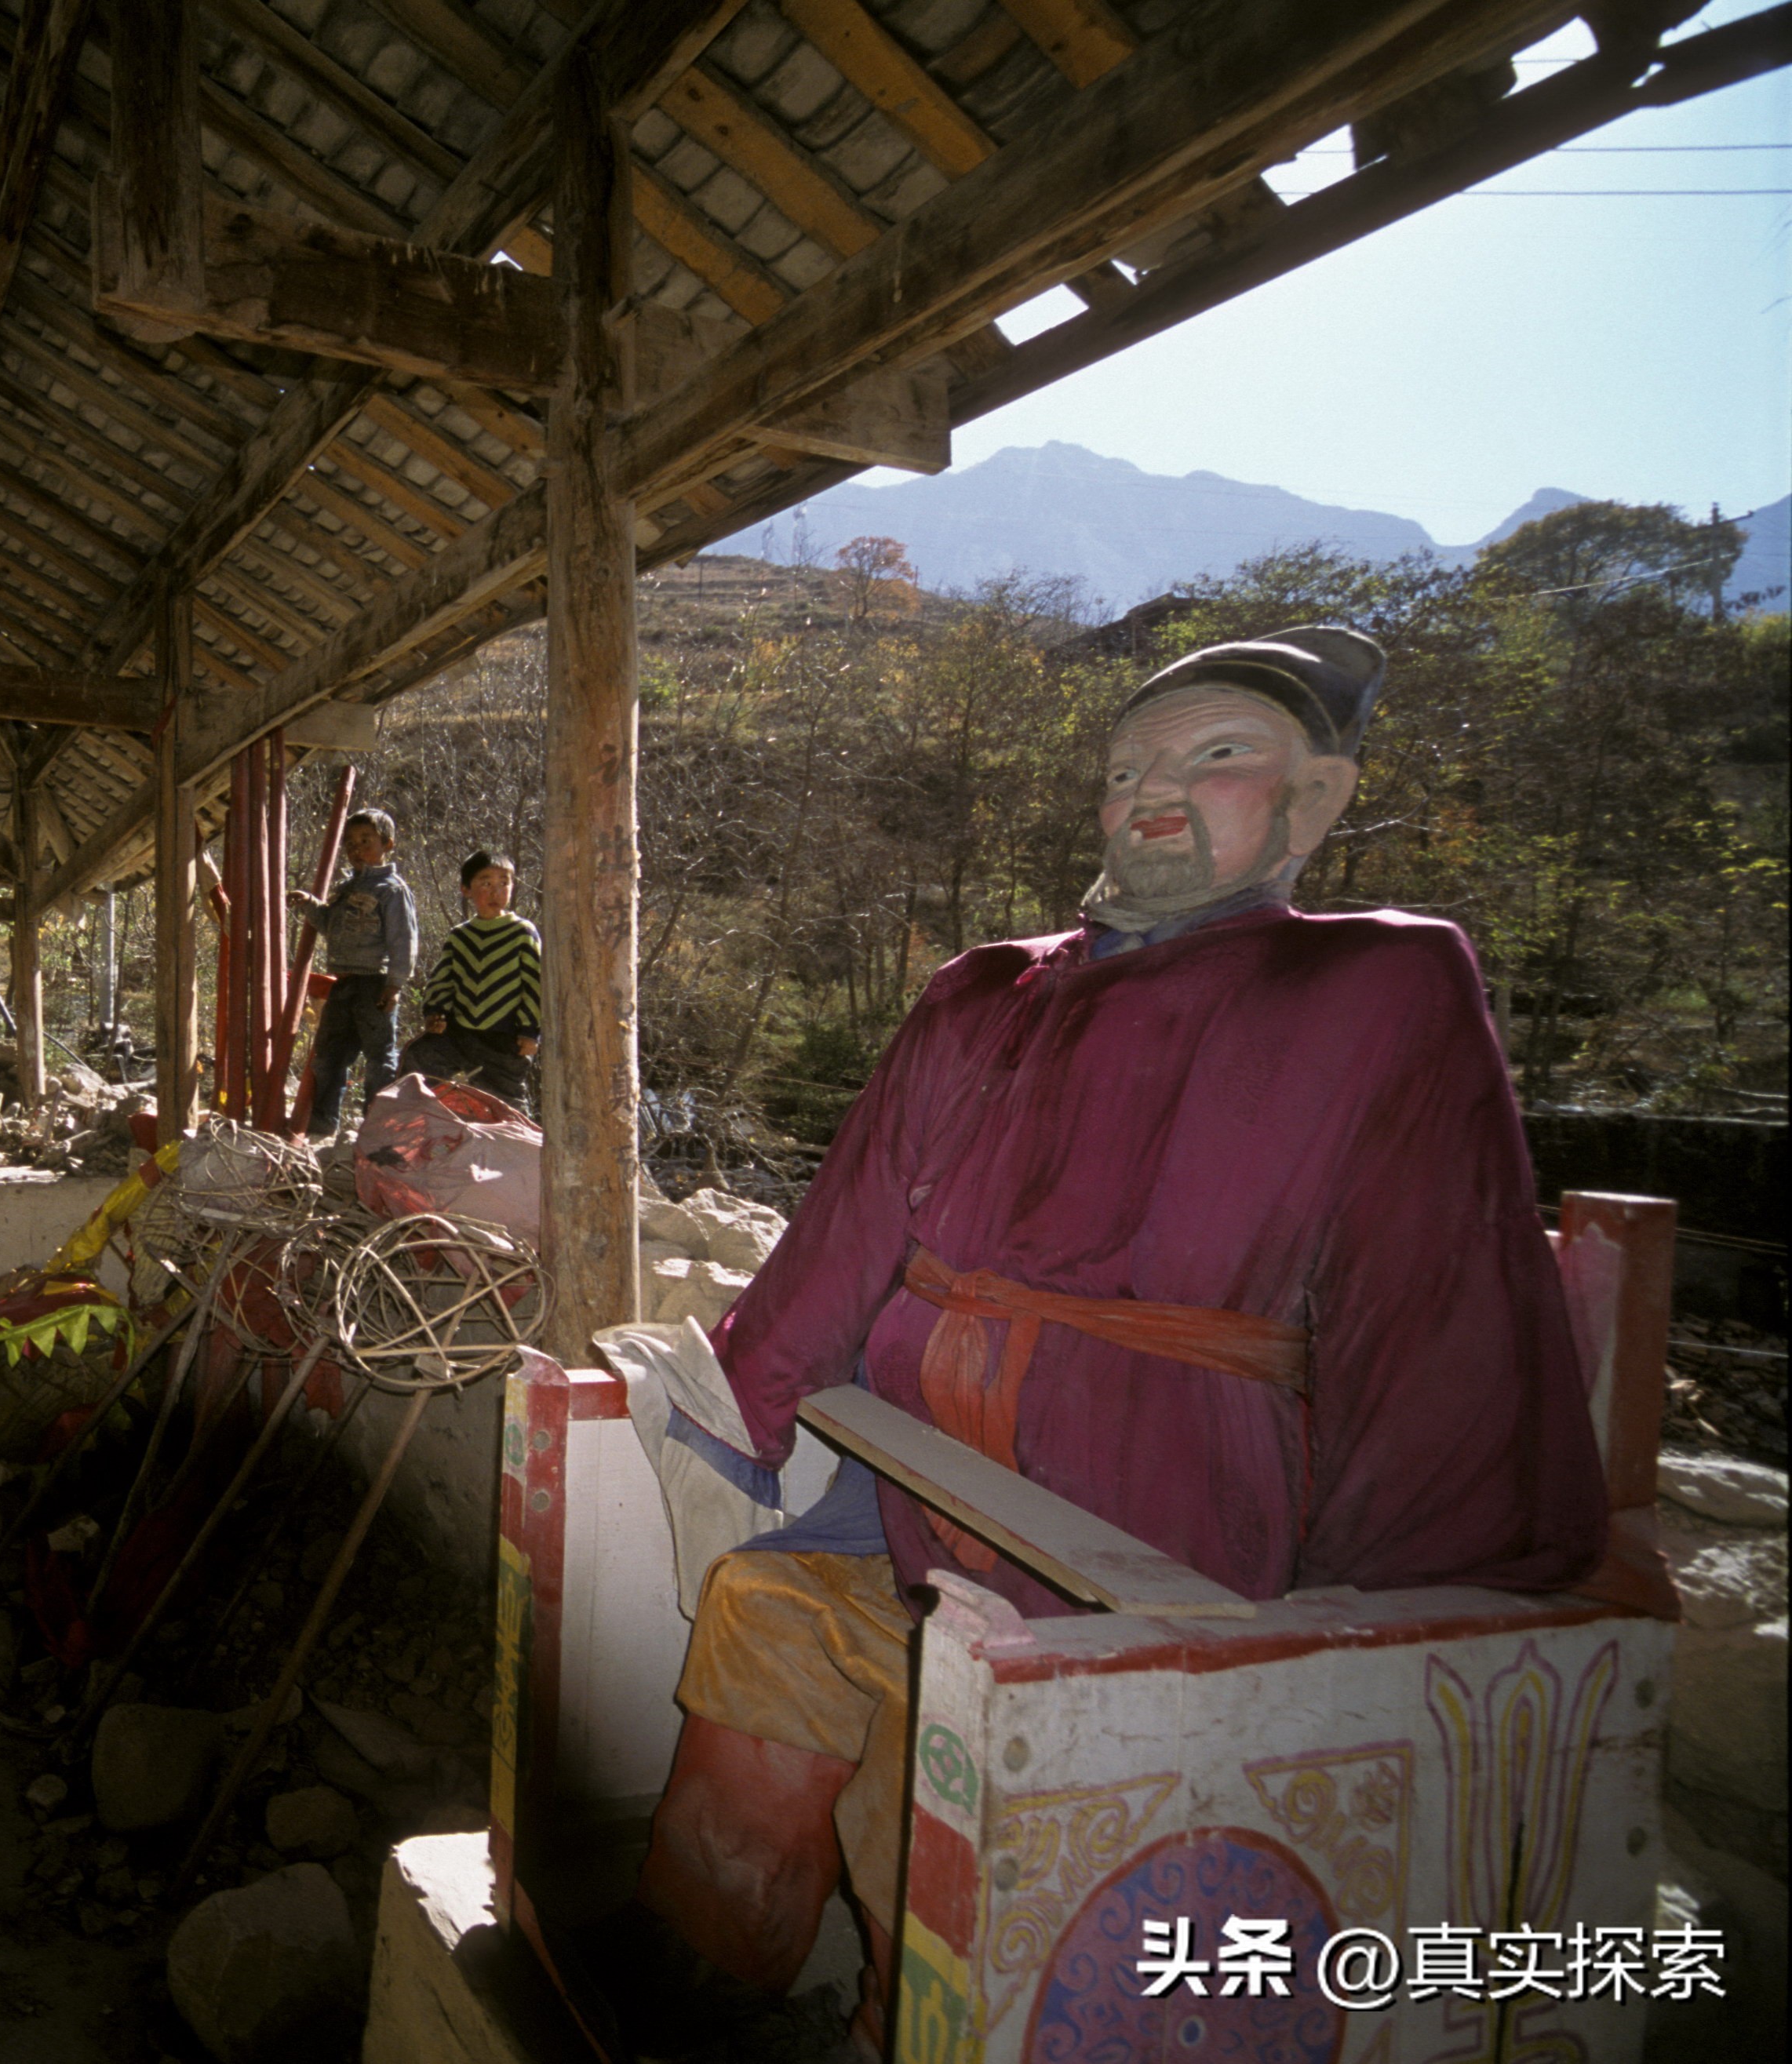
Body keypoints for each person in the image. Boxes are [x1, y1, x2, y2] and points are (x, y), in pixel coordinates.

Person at [615, 627, 1610, 2051]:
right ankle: (699, 1988)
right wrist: (737, 1409)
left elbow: (1432, 1304)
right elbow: (840, 1235)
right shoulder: (983, 986)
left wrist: (1374, 1622)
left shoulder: (1372, 986)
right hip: (912, 1498)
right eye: (1128, 766)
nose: (1155, 790)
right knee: (761, 1614)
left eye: (1217, 760)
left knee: (961, 1744)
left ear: (1316, 800)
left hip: (1160, 1525)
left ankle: (916, 2027)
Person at [290, 809, 416, 1134]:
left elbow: (403, 940)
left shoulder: (392, 890)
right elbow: (330, 925)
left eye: (365, 841)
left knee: (379, 1058)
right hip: (342, 982)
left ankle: (378, 1125)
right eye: (350, 843)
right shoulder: (346, 889)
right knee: (330, 1052)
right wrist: (308, 905)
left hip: (375, 983)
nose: (357, 848)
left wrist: (395, 985)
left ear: (387, 844)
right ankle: (324, 1120)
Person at [400, 849, 541, 1108]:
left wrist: (530, 1031)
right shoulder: (460, 936)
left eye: (504, 883)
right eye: (486, 883)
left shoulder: (522, 933)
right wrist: (435, 1012)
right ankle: (418, 1127)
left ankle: (516, 1147)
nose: (496, 891)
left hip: (505, 1037)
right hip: (461, 1031)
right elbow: (443, 978)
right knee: (419, 1057)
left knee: (506, 1100)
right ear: (466, 889)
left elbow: (534, 984)